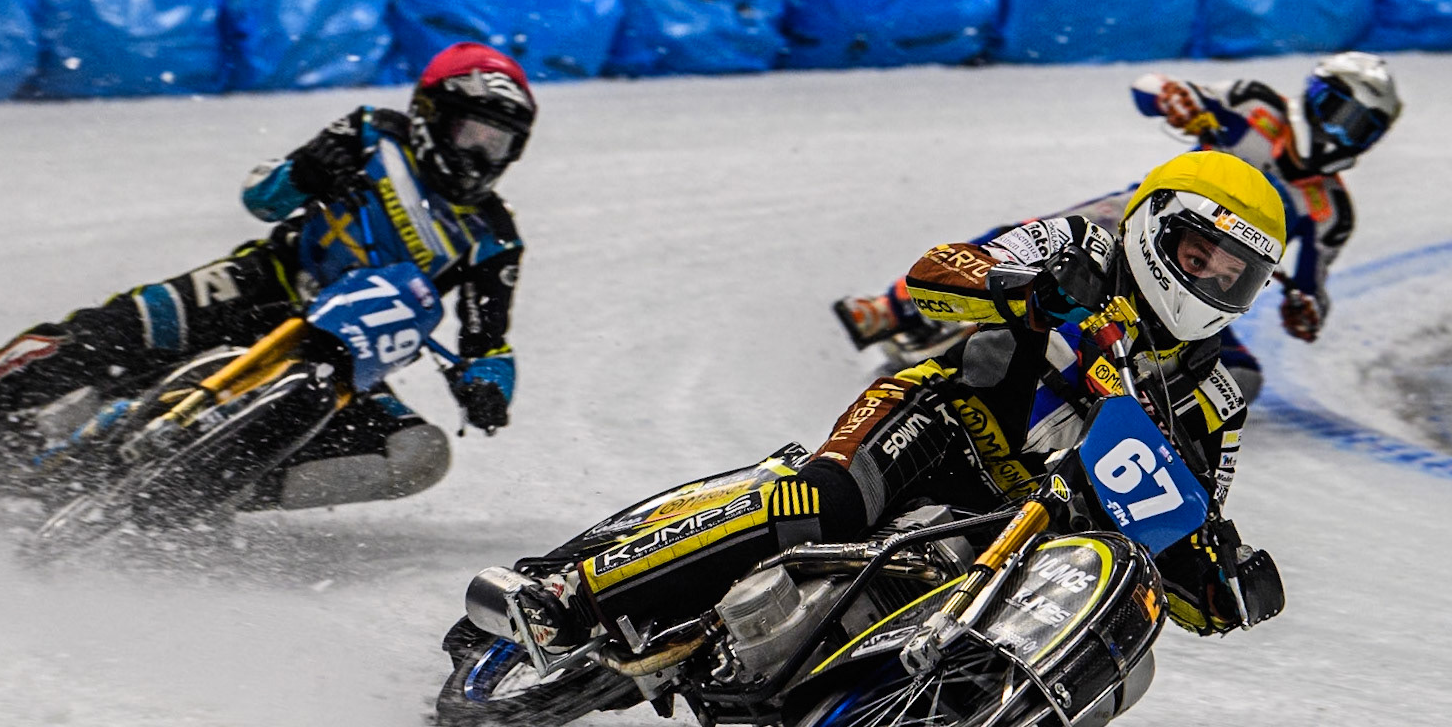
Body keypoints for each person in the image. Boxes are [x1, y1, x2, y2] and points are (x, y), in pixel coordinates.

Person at [523, 150, 1288, 646]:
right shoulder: (1079, 245)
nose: (1211, 282)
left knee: (1114, 625)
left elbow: (1185, 514)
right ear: (1155, 226)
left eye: (1234, 276)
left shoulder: (1216, 396)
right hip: (943, 418)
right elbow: (935, 273)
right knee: (823, 506)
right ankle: (576, 594)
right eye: (1199, 256)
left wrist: (1219, 579)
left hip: (1018, 522)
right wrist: (1019, 287)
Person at [0, 43, 537, 512]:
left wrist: (488, 386)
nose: (482, 157)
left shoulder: (494, 235)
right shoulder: (371, 133)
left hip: (346, 352)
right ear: (429, 113)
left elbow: (489, 341)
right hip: (263, 283)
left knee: (419, 455)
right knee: (114, 331)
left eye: (500, 145)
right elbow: (263, 198)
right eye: (474, 134)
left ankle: (201, 493)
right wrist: (307, 171)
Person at [834, 53, 1403, 403]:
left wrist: (1306, 309)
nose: (1339, 134)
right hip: (1147, 222)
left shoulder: (1331, 210)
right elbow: (1150, 85)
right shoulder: (1256, 107)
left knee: (1241, 378)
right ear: (1313, 98)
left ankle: (1130, 407)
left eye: (1359, 128)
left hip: (1204, 279)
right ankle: (894, 306)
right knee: (1048, 235)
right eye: (1338, 113)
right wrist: (1175, 99)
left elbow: (1315, 287)